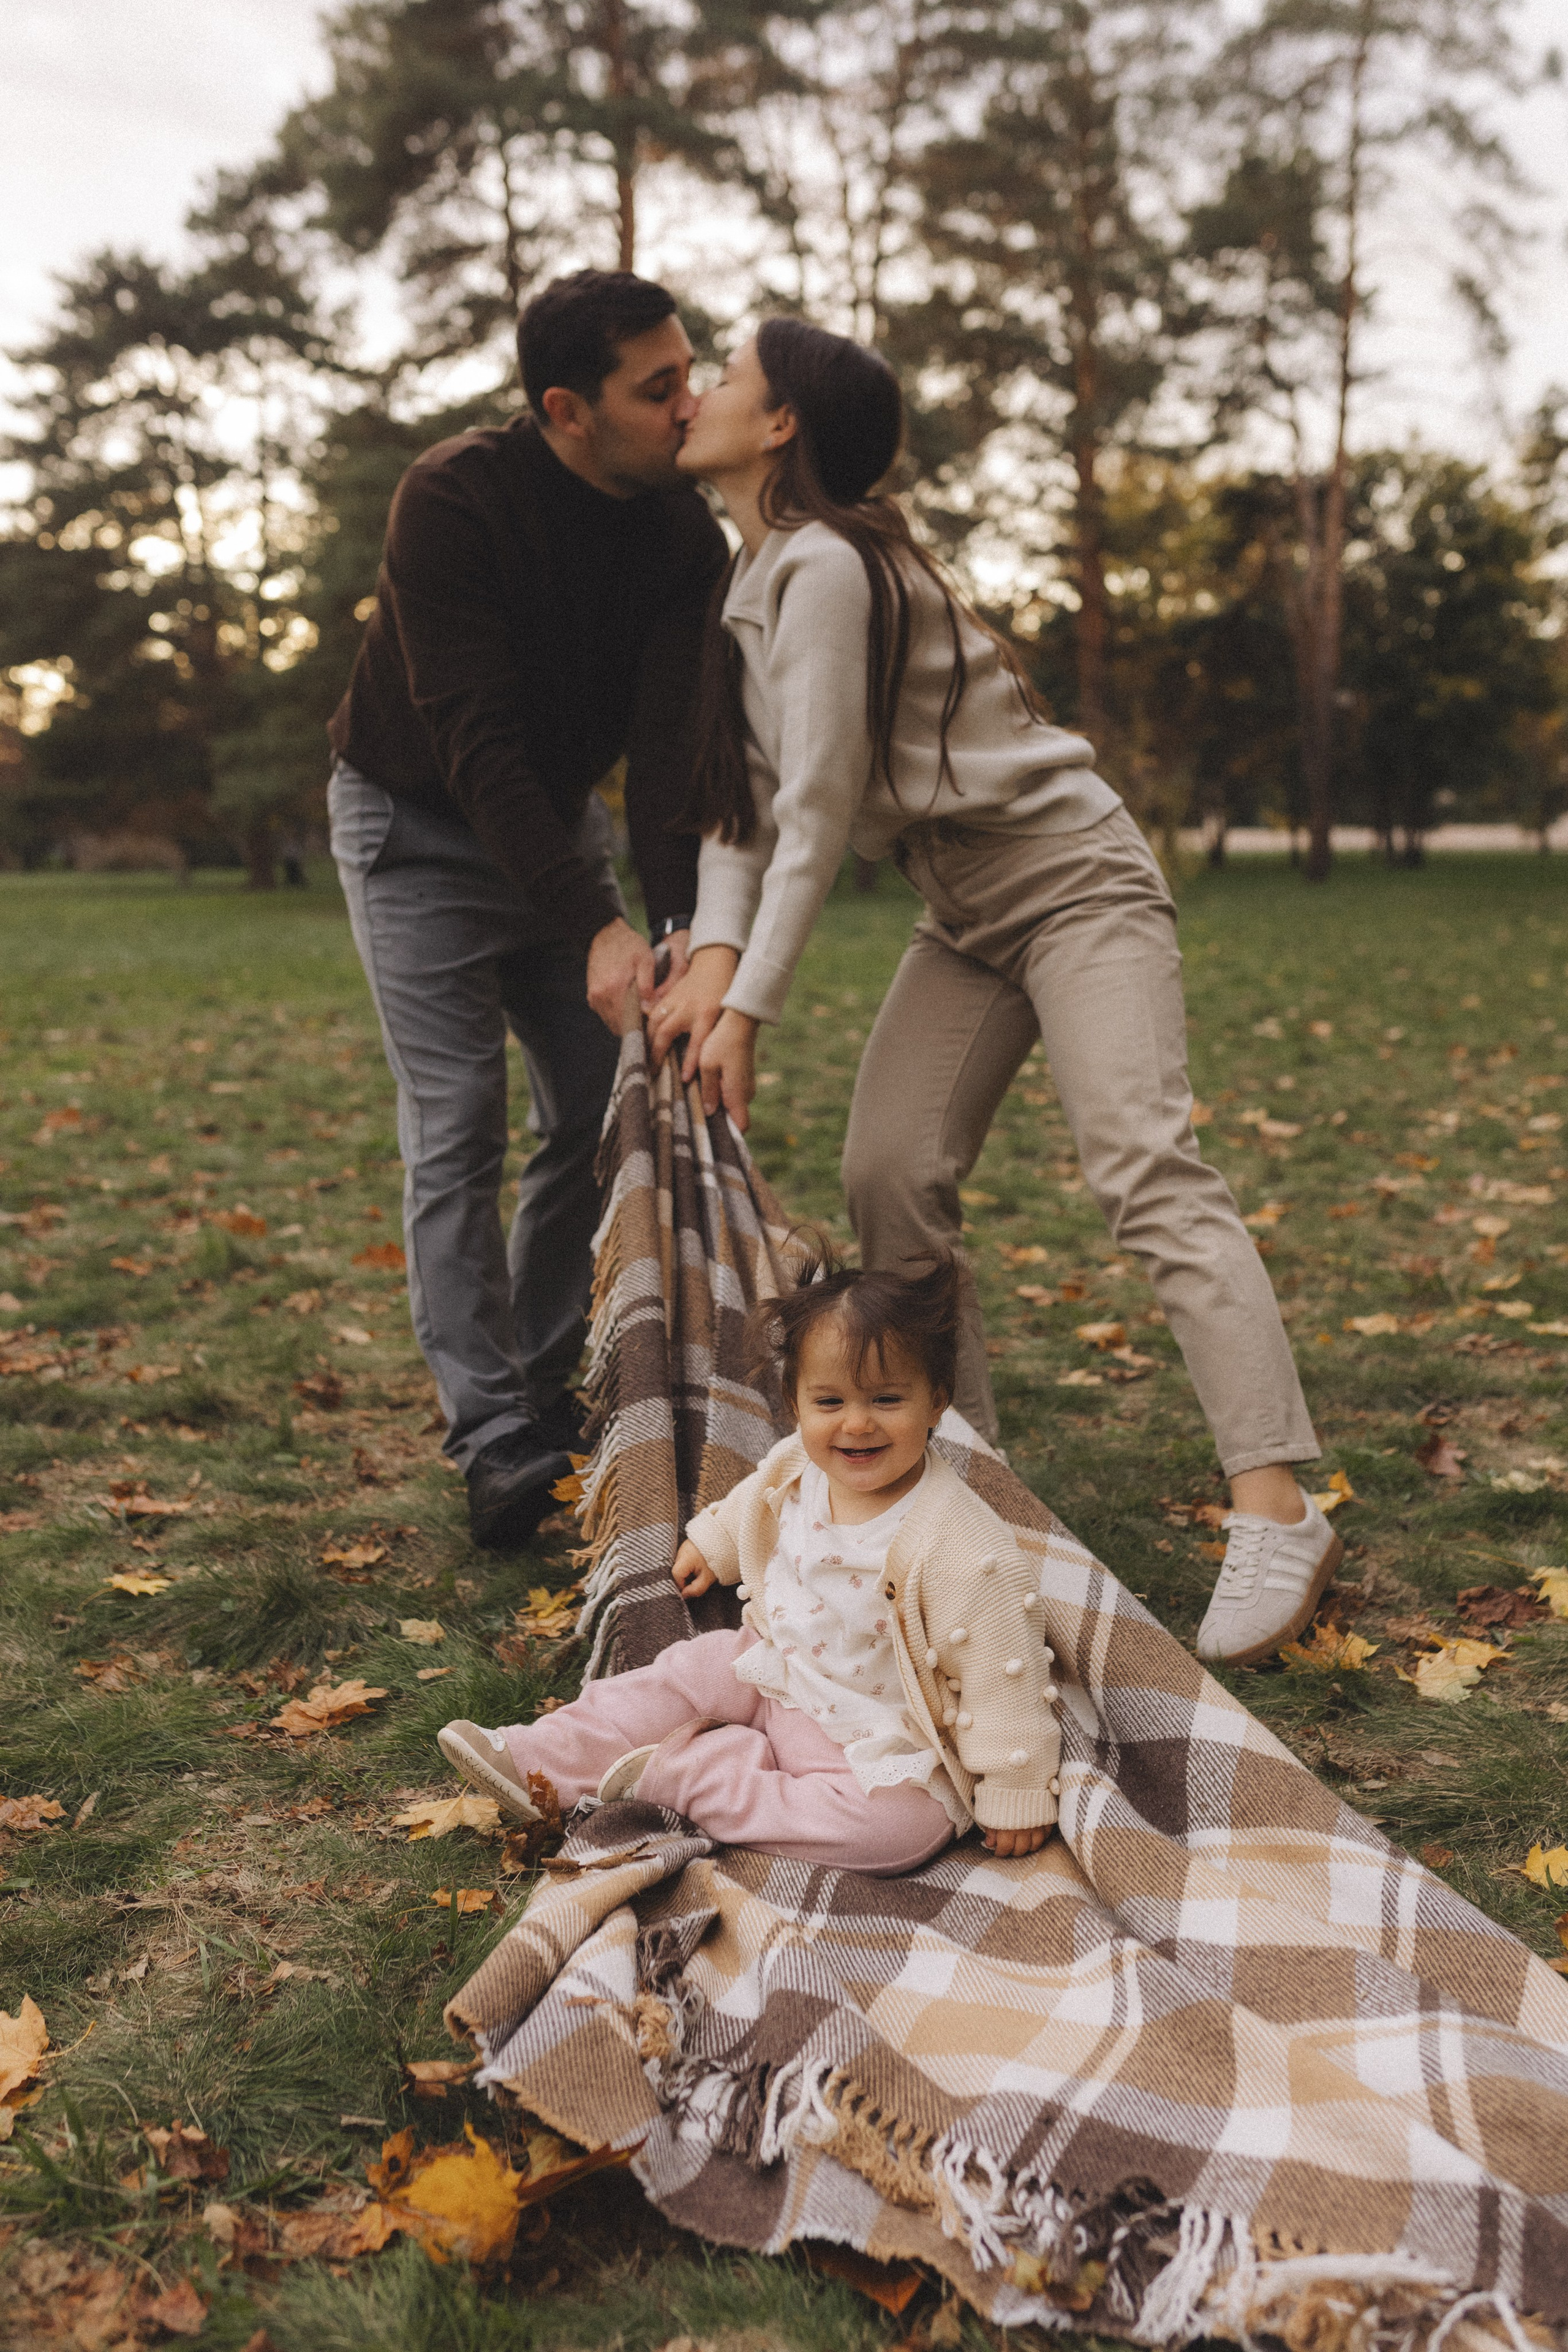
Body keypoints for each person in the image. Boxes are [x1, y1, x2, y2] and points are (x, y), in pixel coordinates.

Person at [644, 318, 1338, 1670]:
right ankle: (960, 1468)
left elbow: (823, 807)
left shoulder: (833, 566)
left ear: (780, 421)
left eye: (722, 374)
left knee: (1142, 1165)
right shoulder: (760, 576)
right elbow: (743, 817)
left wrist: (751, 1013)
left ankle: (1274, 1501)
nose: (698, 394)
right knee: (887, 1170)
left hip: (1071, 877)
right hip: (961, 907)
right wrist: (711, 971)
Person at [326, 271, 728, 1551]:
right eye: (655, 387)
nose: (690, 403)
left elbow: (666, 752)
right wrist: (589, 918)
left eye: (690, 372)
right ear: (567, 408)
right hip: (416, 825)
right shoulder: (452, 499)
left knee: (588, 1108)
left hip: (554, 829)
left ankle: (548, 1382)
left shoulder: (681, 539)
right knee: (456, 1126)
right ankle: (492, 1434)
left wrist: (667, 924)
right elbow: (473, 740)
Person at [439, 1253, 1062, 1871]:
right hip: (774, 1672)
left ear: (937, 1402)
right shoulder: (799, 1463)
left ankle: (692, 1776)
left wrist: (1016, 1791)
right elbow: (755, 1501)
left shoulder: (963, 1546)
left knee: (902, 1831)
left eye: (887, 1399)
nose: (856, 1423)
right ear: (795, 1403)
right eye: (829, 1402)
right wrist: (716, 1542)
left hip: (873, 1736)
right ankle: (532, 1757)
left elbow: (1003, 1673)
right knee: (680, 1675)